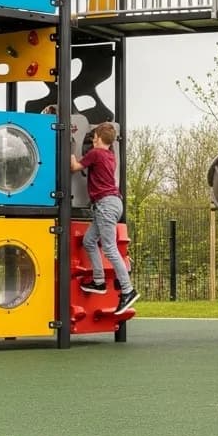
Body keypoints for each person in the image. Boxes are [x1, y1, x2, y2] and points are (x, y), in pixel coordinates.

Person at [70, 122, 138, 314]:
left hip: (105, 204)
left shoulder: (96, 153)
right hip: (112, 204)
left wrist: (69, 147)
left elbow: (74, 166)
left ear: (98, 138)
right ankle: (99, 281)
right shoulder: (110, 156)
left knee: (109, 247)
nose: (92, 140)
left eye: (93, 137)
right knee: (89, 240)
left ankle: (128, 290)